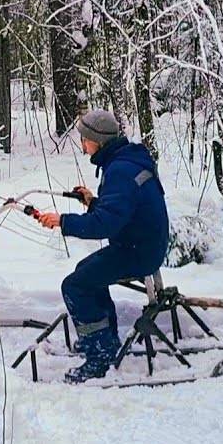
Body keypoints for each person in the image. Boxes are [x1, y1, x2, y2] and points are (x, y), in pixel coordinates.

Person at [32, 109, 169, 383]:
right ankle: (104, 339)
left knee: (75, 285)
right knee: (87, 271)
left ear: (99, 140)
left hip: (138, 251)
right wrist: (92, 202)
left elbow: (105, 225)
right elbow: (121, 211)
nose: (83, 145)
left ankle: (100, 356)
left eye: (85, 139)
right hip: (141, 242)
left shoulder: (118, 170)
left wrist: (63, 221)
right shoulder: (126, 159)